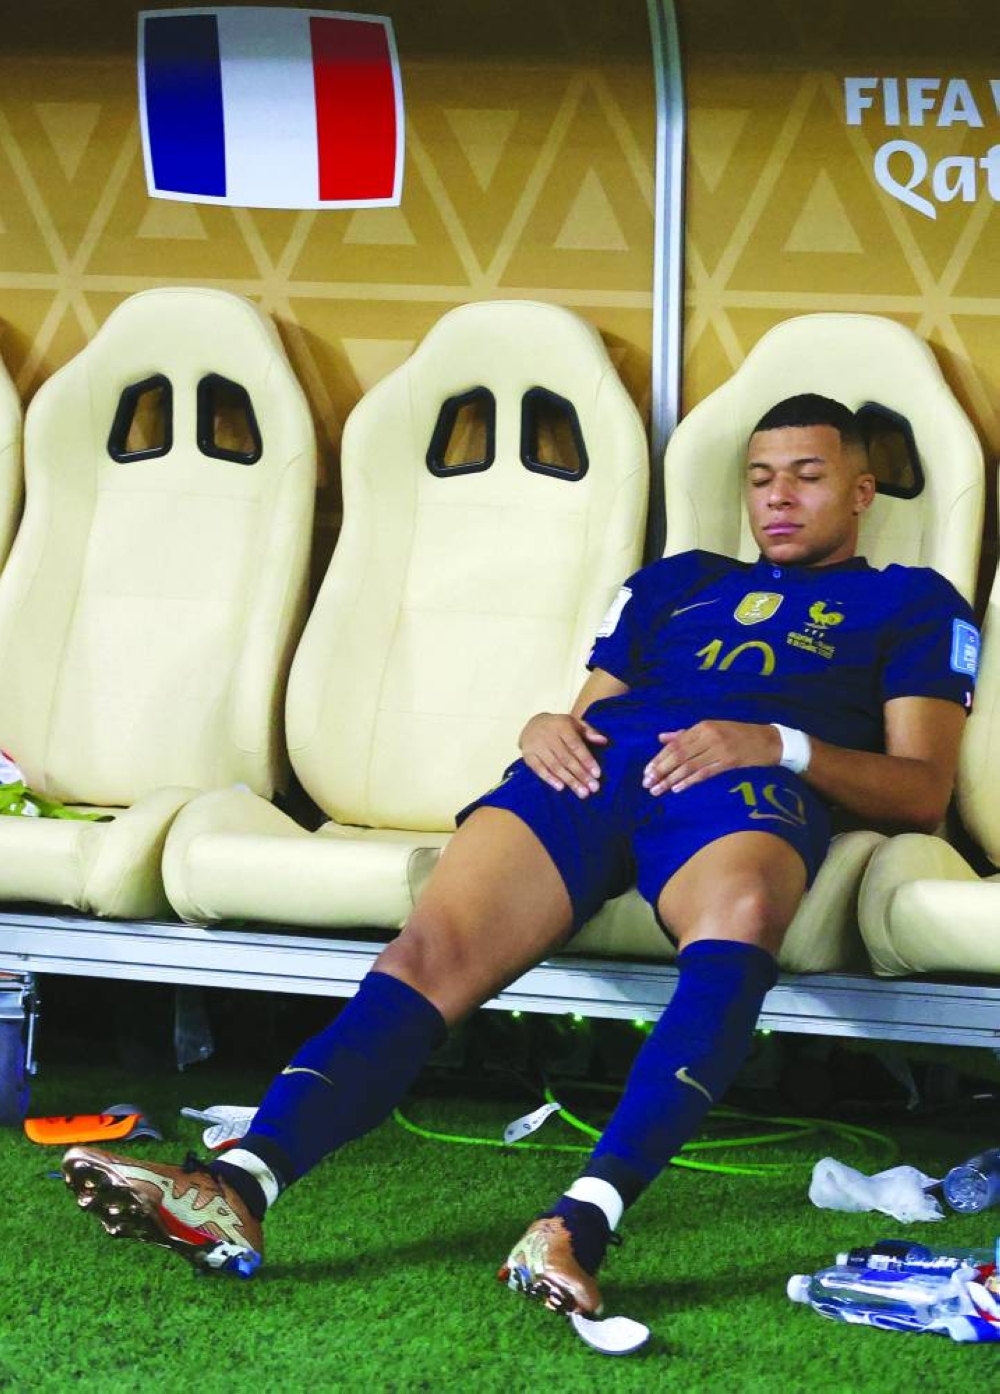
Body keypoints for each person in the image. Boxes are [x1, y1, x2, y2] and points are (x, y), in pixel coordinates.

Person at [61, 394, 979, 1318]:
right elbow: (586, 711)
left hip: (741, 783)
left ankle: (580, 1221)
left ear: (861, 491)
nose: (778, 498)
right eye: (760, 478)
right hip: (592, 773)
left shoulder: (910, 602)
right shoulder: (676, 581)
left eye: (808, 477)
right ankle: (240, 1185)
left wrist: (777, 744)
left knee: (738, 920)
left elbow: (921, 791)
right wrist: (549, 724)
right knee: (429, 953)